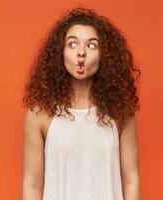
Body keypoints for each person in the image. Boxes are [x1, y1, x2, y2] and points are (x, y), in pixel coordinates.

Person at [21, 6, 142, 200]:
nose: (81, 53)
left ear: (105, 56)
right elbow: (32, 184)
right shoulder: (39, 114)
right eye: (72, 44)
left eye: (92, 45)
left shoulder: (121, 111)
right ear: (60, 52)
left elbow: (131, 180)